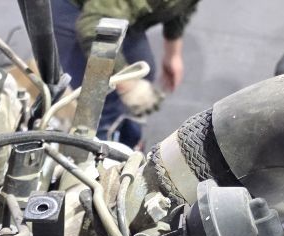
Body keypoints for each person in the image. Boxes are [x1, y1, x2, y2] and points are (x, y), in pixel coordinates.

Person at [50, 0, 201, 147]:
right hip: (79, 12)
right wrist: (128, 86)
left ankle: (126, 141)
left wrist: (172, 53)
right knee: (102, 97)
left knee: (142, 73)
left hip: (118, 13)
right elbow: (93, 26)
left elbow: (182, 6)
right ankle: (94, 149)